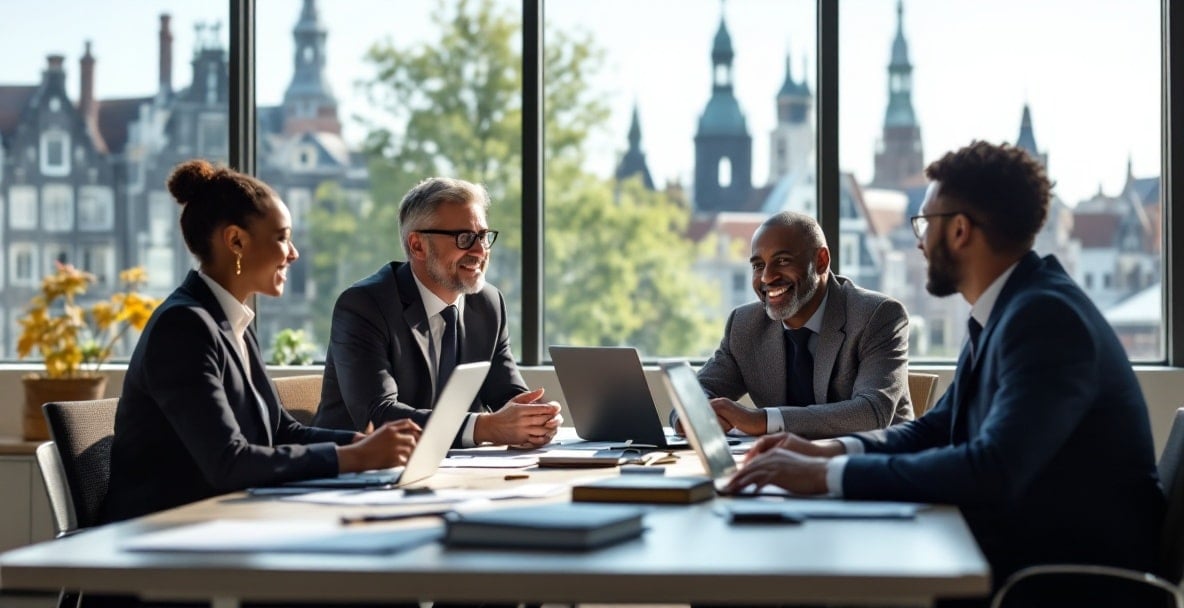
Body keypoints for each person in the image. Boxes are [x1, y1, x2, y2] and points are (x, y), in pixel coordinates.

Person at [727, 142, 1165, 606]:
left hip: (1059, 580)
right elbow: (940, 428)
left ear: (958, 230)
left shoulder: (1044, 319)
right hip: (1021, 550)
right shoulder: (1011, 308)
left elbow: (990, 468)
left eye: (924, 223)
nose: (918, 240)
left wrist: (828, 477)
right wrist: (828, 452)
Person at [102, 160, 421, 525]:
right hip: (161, 539)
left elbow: (281, 430)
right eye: (282, 237)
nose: (293, 252)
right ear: (236, 240)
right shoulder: (184, 326)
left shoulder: (230, 321)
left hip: (221, 522)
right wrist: (357, 458)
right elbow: (229, 463)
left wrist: (360, 443)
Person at [313, 177, 562, 448]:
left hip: (453, 473)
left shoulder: (487, 304)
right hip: (357, 474)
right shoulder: (364, 306)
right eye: (465, 238)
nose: (480, 250)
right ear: (417, 245)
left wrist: (536, 418)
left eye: (483, 236)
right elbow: (379, 415)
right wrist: (486, 427)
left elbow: (507, 394)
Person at [688, 211, 913, 439]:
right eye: (758, 265)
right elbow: (696, 393)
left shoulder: (877, 315)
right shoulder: (746, 325)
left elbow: (871, 413)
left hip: (866, 466)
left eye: (783, 261)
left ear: (821, 261)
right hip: (782, 467)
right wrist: (693, 416)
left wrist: (763, 420)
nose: (766, 277)